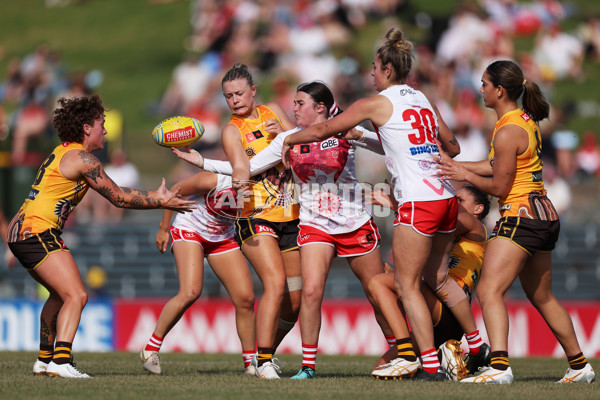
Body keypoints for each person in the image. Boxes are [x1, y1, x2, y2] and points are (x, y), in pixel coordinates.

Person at [176, 81, 394, 379]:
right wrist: (202, 161)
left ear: (319, 108)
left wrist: (359, 133)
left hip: (354, 221)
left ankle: (401, 350)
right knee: (310, 293)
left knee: (376, 291)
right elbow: (249, 167)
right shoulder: (289, 138)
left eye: (300, 103)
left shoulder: (343, 129)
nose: (293, 108)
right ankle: (302, 367)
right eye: (293, 103)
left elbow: (388, 145)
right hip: (313, 224)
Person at [280, 28, 464, 381]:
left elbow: (323, 132)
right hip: (440, 197)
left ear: (388, 71)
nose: (371, 74)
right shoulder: (422, 98)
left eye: (375, 68)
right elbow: (451, 147)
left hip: (381, 210)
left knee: (392, 286)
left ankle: (415, 356)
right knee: (319, 289)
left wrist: (288, 140)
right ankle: (471, 347)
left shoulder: (367, 106)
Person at [5, 95, 194, 379]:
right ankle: (61, 361)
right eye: (101, 124)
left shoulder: (63, 152)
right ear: (86, 128)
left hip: (22, 231)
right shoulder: (82, 158)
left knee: (59, 295)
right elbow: (118, 197)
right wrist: (159, 199)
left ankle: (45, 360)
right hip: (36, 230)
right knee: (77, 295)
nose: (105, 130)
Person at [437, 60, 596, 384]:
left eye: (483, 84)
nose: (479, 89)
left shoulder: (508, 129)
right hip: (543, 217)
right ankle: (580, 366)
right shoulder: (523, 121)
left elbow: (499, 186)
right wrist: (456, 165)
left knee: (489, 290)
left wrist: (463, 173)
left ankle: (499, 367)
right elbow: (498, 163)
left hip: (521, 218)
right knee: (543, 296)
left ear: (499, 90)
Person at [214, 63, 301, 379]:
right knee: (275, 284)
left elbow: (301, 146)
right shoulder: (230, 130)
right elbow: (240, 164)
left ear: (253, 90)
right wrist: (238, 175)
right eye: (228, 96)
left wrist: (287, 138)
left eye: (239, 93)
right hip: (255, 214)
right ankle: (262, 362)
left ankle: (264, 354)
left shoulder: (275, 111)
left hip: (291, 214)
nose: (234, 100)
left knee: (296, 298)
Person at [368, 185, 491, 380]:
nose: (453, 203)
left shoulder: (473, 223)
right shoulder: (450, 229)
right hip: (439, 313)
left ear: (478, 209)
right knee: (379, 369)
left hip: (448, 306)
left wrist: (398, 205)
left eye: (460, 200)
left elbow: (429, 224)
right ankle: (443, 358)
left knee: (378, 283)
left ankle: (409, 354)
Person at [140, 171, 256, 375]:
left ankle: (250, 364)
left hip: (222, 236)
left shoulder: (263, 184)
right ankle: (150, 350)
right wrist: (163, 228)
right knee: (190, 292)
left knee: (246, 298)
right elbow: (176, 190)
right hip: (191, 228)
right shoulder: (216, 179)